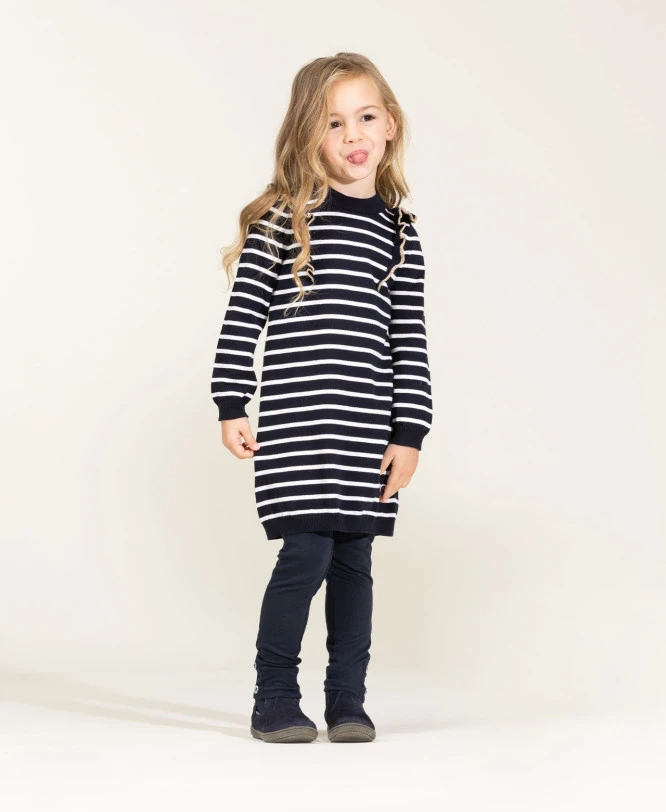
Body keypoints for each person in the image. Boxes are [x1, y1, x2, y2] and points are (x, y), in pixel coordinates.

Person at [210, 52, 433, 743]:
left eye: (365, 117)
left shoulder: (399, 232)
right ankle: (275, 696)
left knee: (354, 565)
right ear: (309, 134)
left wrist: (409, 433)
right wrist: (230, 402)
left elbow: (409, 338)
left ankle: (347, 701)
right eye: (333, 123)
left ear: (390, 125)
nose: (352, 135)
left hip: (366, 432)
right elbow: (243, 316)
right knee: (303, 556)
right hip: (299, 428)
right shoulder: (286, 217)